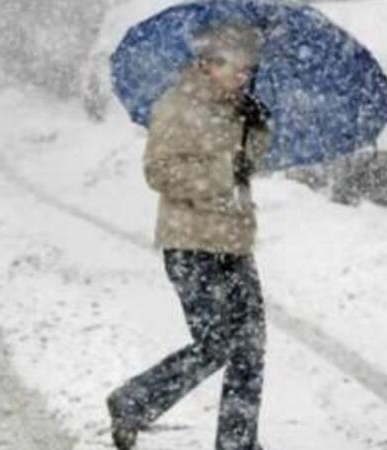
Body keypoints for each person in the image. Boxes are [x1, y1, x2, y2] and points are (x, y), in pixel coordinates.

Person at [106, 25, 272, 450]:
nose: (243, 76)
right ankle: (133, 400)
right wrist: (221, 171)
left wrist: (257, 129)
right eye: (236, 67)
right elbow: (158, 171)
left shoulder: (241, 110)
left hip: (234, 241)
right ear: (208, 64)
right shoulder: (176, 105)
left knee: (250, 346)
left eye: (248, 69)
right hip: (192, 244)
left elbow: (247, 167)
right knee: (217, 344)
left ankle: (237, 442)